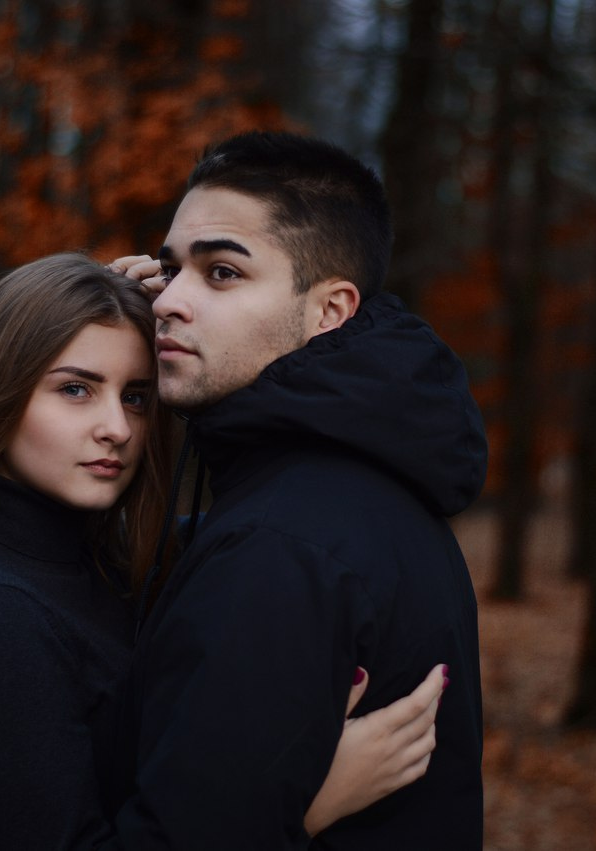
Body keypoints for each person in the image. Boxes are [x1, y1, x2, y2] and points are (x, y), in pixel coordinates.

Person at [0, 253, 446, 850]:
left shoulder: (107, 563)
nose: (117, 427)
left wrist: (175, 301)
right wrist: (307, 804)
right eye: (75, 389)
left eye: (137, 397)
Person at [107, 131, 487, 849]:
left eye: (221, 273)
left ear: (330, 312)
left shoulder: (278, 549)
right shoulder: (364, 483)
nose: (167, 302)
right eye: (169, 269)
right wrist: (94, 328)